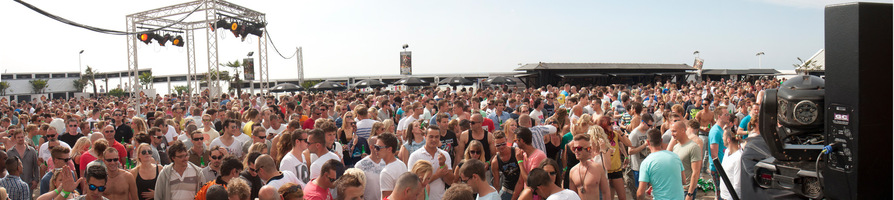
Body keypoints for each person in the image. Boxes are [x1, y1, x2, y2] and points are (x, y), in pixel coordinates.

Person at [407, 126, 454, 200]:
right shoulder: (415, 156)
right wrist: (436, 175)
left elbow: (450, 181)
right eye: (431, 137)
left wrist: (443, 165)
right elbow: (411, 183)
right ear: (425, 136)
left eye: (437, 137)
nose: (434, 140)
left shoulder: (444, 155)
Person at [637, 128, 684, 200]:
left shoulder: (646, 162)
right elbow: (683, 180)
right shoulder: (675, 156)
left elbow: (640, 194)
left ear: (648, 142)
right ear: (661, 140)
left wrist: (646, 196)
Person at [567, 134, 610, 200]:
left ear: (588, 149)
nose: (576, 151)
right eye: (574, 148)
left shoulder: (597, 168)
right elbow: (573, 196)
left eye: (579, 148)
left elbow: (606, 192)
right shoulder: (573, 171)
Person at [667, 121, 702, 200]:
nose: (672, 134)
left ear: (683, 130)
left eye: (674, 131)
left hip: (686, 191)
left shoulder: (693, 147)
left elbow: (696, 172)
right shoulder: (676, 147)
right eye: (671, 131)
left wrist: (690, 193)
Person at [490, 131, 522, 200]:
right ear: (494, 144)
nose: (501, 147)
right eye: (498, 145)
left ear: (507, 140)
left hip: (522, 189)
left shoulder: (516, 152)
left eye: (503, 144)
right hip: (508, 190)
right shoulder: (495, 161)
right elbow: (496, 183)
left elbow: (522, 177)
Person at [626, 112, 652, 192]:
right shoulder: (634, 134)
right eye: (649, 125)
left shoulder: (649, 131)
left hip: (648, 165)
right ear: (643, 123)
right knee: (640, 190)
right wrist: (644, 146)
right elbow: (630, 151)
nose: (650, 127)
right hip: (637, 167)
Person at [709, 106, 730, 198]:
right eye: (726, 114)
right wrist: (720, 169)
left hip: (722, 166)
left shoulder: (721, 130)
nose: (728, 116)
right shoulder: (715, 131)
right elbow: (714, 154)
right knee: (720, 194)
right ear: (719, 116)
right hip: (718, 168)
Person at [378, 133, 407, 198]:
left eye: (378, 147)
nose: (375, 150)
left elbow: (387, 198)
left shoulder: (386, 172)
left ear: (389, 149)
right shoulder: (401, 164)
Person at [719, 126, 743, 200]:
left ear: (728, 139)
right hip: (723, 195)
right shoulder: (726, 152)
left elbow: (737, 184)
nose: (722, 138)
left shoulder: (738, 158)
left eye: (723, 136)